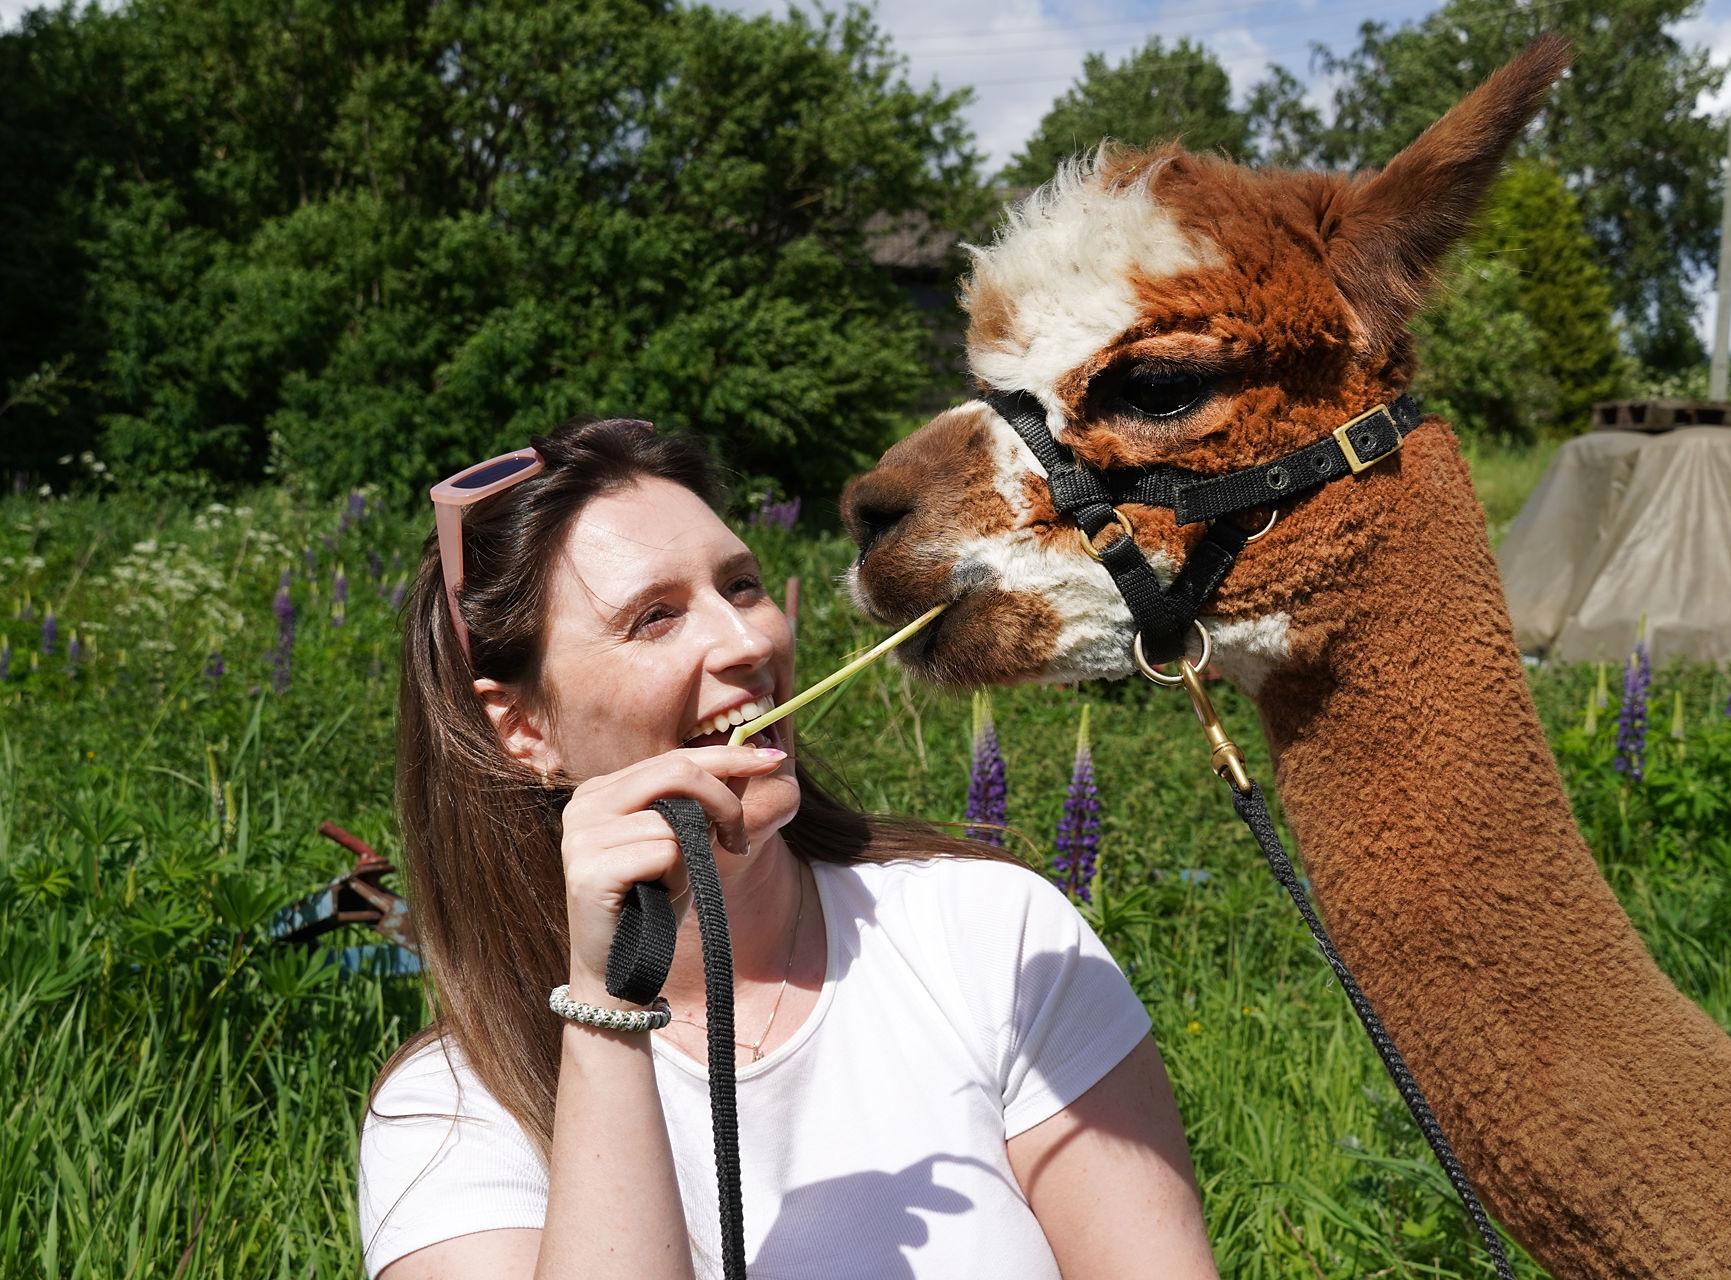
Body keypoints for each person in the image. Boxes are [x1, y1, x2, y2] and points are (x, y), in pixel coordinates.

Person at [357, 418, 1218, 1279]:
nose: (749, 643)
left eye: (739, 586)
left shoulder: (996, 935)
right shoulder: (449, 1119)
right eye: (654, 618)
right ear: (524, 728)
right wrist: (610, 1006)